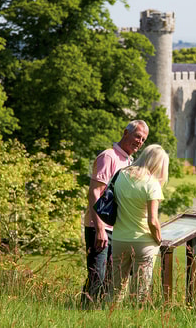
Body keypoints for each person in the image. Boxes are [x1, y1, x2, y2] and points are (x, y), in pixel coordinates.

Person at [82, 120, 149, 306]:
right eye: (137, 136)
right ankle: (82, 313)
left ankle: (100, 316)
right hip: (100, 227)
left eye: (143, 139)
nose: (140, 141)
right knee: (97, 276)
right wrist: (100, 228)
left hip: (118, 229)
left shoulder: (129, 161)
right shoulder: (109, 157)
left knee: (112, 280)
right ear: (125, 133)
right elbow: (94, 192)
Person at [110, 144, 169, 304]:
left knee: (115, 290)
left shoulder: (120, 175)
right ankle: (135, 320)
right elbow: (153, 221)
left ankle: (109, 318)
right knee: (139, 294)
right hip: (143, 242)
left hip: (119, 239)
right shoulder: (152, 184)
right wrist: (158, 239)